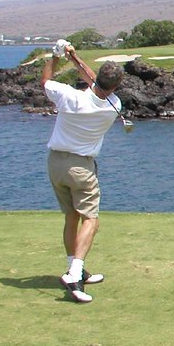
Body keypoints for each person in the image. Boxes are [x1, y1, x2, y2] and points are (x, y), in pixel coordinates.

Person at [41, 41, 125, 303]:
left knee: (71, 216)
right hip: (81, 168)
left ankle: (73, 267)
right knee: (91, 219)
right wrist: (76, 60)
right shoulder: (114, 105)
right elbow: (94, 82)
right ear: (116, 87)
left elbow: (45, 81)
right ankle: (75, 276)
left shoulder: (69, 95)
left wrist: (58, 56)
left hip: (55, 164)